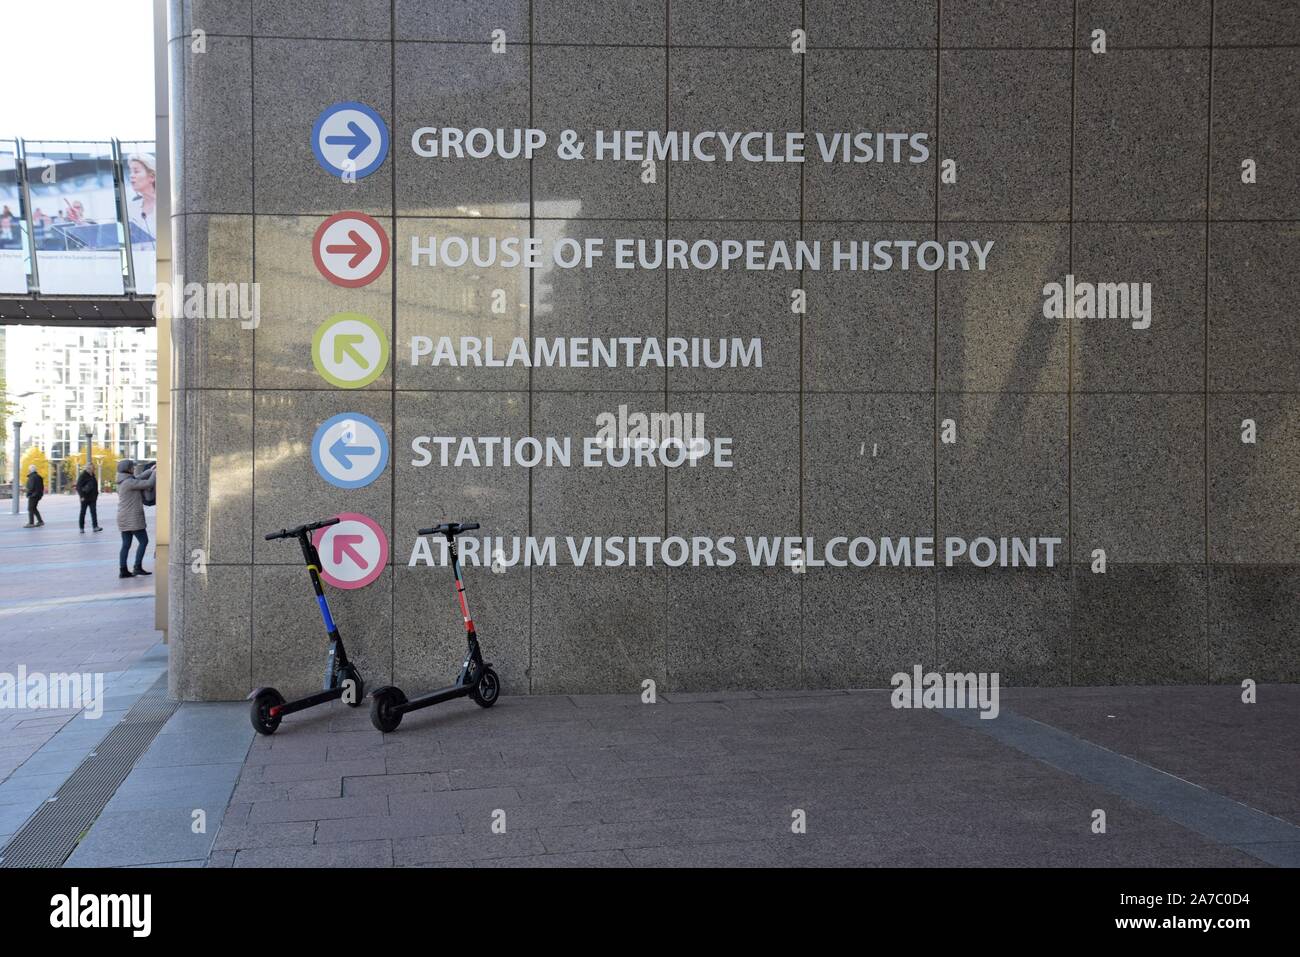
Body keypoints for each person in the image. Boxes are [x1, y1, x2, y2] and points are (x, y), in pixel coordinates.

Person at [115, 459, 155, 578]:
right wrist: (156, 473)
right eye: (132, 467)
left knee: (126, 544)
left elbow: (139, 477)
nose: (133, 468)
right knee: (144, 541)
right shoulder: (129, 483)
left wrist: (150, 470)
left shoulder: (123, 481)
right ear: (128, 469)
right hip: (132, 517)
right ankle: (137, 567)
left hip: (123, 517)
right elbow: (148, 484)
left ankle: (123, 570)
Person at [76, 463, 103, 533]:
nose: (94, 470)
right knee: (83, 512)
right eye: (93, 468)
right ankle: (81, 528)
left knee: (93, 512)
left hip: (92, 498)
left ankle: (95, 526)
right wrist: (81, 496)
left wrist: (96, 494)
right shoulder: (83, 476)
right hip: (84, 498)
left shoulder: (93, 476)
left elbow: (95, 486)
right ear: (88, 469)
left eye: (94, 468)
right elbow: (78, 487)